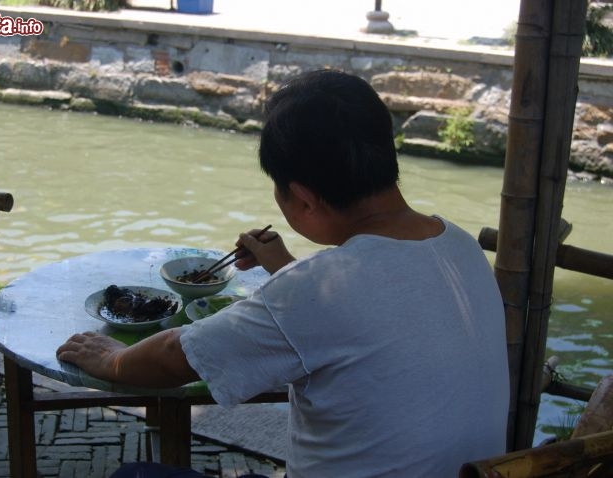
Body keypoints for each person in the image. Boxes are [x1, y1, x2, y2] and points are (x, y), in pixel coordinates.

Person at [57, 69, 509, 478]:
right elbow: (377, 309)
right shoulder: (459, 245)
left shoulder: (319, 289)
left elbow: (175, 356)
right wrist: (286, 268)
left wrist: (112, 358)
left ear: (303, 198)